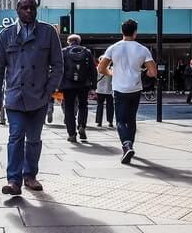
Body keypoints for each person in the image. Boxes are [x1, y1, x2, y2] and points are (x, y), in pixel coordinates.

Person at [0, 0, 64, 195]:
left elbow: (58, 65)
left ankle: (30, 175)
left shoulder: (48, 33)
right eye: (24, 8)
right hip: (15, 96)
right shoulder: (6, 35)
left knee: (33, 139)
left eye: (32, 8)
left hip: (38, 97)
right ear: (17, 10)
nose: (29, 11)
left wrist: (49, 90)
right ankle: (14, 180)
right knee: (15, 137)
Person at [98, 19, 157, 164]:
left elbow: (101, 68)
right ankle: (130, 145)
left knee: (120, 120)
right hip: (135, 88)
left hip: (119, 89)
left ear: (121, 31)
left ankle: (126, 145)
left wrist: (112, 73)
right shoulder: (143, 49)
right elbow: (153, 71)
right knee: (131, 119)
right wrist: (144, 74)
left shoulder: (113, 48)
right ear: (135, 33)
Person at [58, 34, 97, 142]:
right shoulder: (87, 52)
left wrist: (58, 85)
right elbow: (93, 70)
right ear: (79, 41)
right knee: (83, 105)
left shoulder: (64, 52)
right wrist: (93, 85)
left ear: (68, 41)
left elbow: (59, 68)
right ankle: (82, 126)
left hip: (68, 85)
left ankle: (71, 134)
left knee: (69, 109)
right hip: (83, 84)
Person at [95, 56, 114, 128]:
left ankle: (99, 122)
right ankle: (110, 121)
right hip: (109, 90)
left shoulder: (97, 69)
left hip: (99, 90)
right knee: (110, 107)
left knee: (99, 106)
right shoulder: (111, 69)